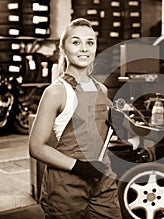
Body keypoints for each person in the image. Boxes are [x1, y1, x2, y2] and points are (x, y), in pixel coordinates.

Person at [29, 18, 122, 218]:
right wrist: (79, 167)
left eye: (90, 42)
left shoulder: (101, 89)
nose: (84, 49)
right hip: (66, 187)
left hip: (102, 181)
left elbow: (97, 136)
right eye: (76, 42)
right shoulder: (56, 91)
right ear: (63, 48)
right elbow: (36, 147)